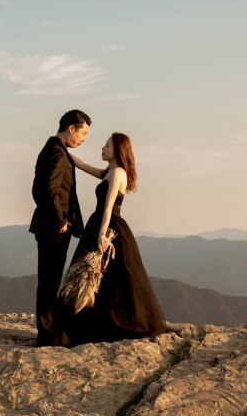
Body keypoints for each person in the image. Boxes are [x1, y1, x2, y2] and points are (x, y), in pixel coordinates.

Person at [54, 132, 167, 347]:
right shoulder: (110, 172)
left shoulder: (117, 173)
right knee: (96, 278)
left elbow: (108, 207)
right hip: (100, 225)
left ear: (118, 150)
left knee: (102, 277)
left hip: (108, 226)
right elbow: (84, 165)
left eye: (107, 145)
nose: (102, 148)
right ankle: (91, 323)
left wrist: (102, 236)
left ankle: (97, 326)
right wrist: (62, 149)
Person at [30, 109, 91, 346]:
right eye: (83, 133)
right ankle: (46, 336)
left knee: (50, 278)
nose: (84, 139)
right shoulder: (56, 153)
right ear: (71, 128)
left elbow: (38, 190)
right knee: (50, 280)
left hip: (50, 225)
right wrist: (60, 221)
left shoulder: (52, 149)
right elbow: (48, 191)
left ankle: (48, 333)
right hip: (54, 228)